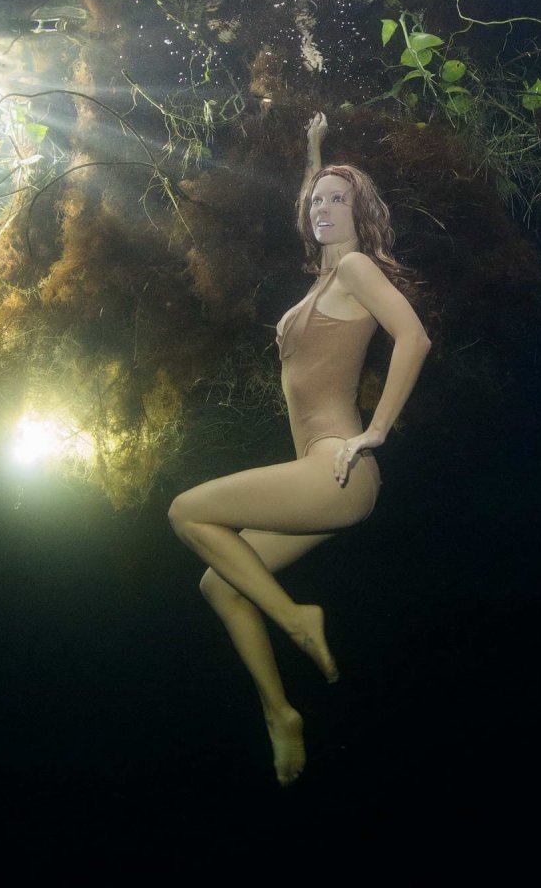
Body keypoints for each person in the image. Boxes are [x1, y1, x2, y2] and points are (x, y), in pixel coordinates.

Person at [168, 112, 431, 787]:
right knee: (218, 585)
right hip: (325, 476)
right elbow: (309, 203)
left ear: (359, 211)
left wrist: (374, 431)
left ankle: (294, 618)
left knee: (187, 513)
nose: (321, 207)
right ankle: (280, 714)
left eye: (336, 200)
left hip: (340, 469)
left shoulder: (355, 267)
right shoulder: (324, 273)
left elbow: (414, 339)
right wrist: (314, 154)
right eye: (316, 201)